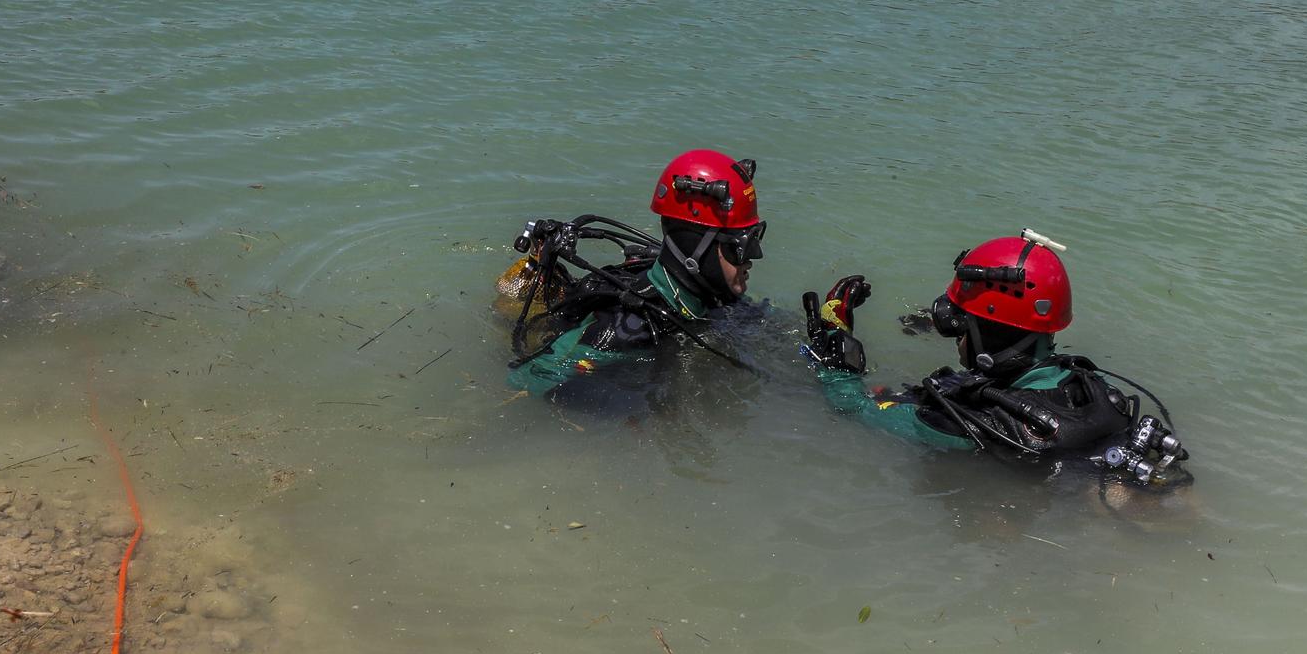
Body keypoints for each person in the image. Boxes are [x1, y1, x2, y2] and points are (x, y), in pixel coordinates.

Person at [798, 231, 1190, 488]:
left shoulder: (974, 424)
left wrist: (834, 346)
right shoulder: (1094, 391)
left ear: (988, 333)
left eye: (963, 326)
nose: (958, 338)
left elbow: (851, 407)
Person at [504, 149, 767, 398]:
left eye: (755, 237)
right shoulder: (620, 331)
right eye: (740, 247)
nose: (756, 256)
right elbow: (521, 383)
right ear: (694, 247)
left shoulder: (717, 297)